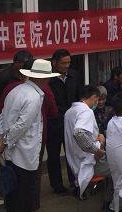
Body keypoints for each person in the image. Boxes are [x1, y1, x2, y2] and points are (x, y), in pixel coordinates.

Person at [0, 58, 60, 212]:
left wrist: (1, 137)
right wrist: (5, 141)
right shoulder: (33, 97)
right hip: (25, 153)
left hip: (13, 151)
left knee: (13, 193)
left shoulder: (16, 90)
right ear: (42, 78)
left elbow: (2, 116)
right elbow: (22, 125)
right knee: (23, 194)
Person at [64, 85, 112, 202]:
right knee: (120, 167)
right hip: (88, 163)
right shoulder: (86, 111)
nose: (97, 102)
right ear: (94, 97)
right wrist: (97, 151)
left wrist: (99, 137)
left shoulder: (69, 112)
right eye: (97, 99)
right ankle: (112, 204)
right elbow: (79, 133)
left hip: (75, 162)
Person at [47, 49, 81, 193]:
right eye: (63, 63)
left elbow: (79, 96)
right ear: (54, 63)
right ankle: (57, 185)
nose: (66, 66)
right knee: (54, 155)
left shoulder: (74, 75)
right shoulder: (48, 79)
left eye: (68, 62)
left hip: (71, 123)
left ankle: (75, 182)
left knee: (72, 153)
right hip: (54, 124)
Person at [0, 49, 33, 128]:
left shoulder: (29, 74)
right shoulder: (4, 77)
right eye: (24, 64)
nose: (27, 67)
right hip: (4, 115)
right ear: (16, 63)